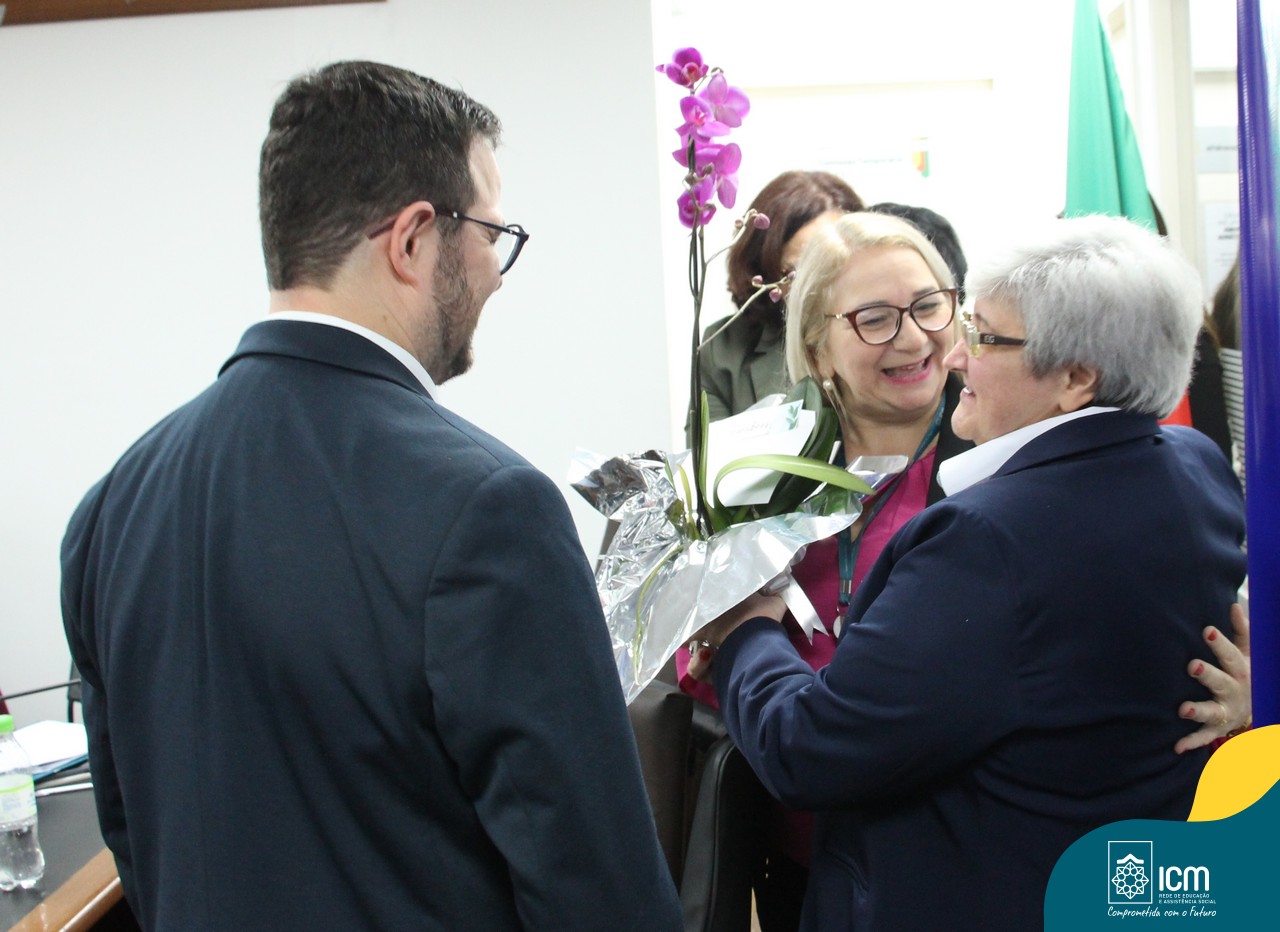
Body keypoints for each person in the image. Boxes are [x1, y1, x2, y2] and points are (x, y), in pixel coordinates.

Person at [59, 61, 681, 932]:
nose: (497, 273)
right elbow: (598, 891)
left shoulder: (110, 507)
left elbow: (136, 837)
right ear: (414, 238)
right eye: (493, 234)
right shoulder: (491, 509)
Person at [688, 214, 1248, 931]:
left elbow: (809, 750)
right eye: (875, 319)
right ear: (817, 344)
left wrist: (746, 628)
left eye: (978, 334)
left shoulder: (986, 537)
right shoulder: (1194, 463)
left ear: (1076, 377)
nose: (951, 353)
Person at [690, 170, 864, 438]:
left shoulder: (892, 335)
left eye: (837, 263)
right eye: (800, 271)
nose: (823, 282)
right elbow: (709, 460)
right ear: (766, 274)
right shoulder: (723, 350)